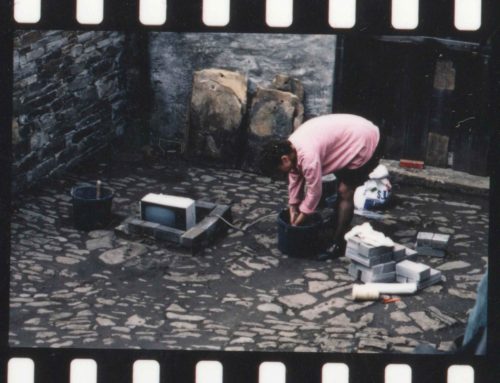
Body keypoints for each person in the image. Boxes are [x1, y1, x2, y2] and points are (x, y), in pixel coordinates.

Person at [258, 114, 382, 260]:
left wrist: (300, 217)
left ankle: (338, 242)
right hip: (350, 135)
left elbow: (314, 191)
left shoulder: (308, 156)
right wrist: (293, 206)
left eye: (279, 171)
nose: (280, 175)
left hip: (364, 140)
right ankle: (336, 221)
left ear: (284, 159)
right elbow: (295, 175)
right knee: (341, 184)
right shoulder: (289, 148)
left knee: (345, 191)